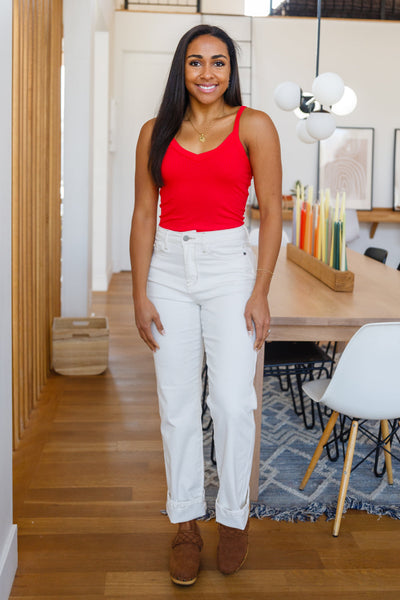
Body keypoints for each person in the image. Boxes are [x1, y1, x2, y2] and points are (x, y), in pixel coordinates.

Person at [130, 24, 282, 586]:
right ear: (182, 69)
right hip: (168, 268)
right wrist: (138, 291)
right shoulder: (155, 132)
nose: (207, 73)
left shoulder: (254, 126)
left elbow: (270, 209)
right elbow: (145, 214)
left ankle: (235, 517)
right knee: (176, 405)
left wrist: (260, 289)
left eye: (218, 62)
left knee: (234, 403)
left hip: (229, 270)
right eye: (196, 62)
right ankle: (187, 522)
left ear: (231, 69)